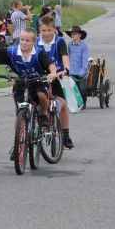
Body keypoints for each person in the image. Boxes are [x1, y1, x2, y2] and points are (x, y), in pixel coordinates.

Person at [0, 28, 60, 160]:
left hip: (38, 81)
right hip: (21, 83)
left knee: (42, 96)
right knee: (20, 111)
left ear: (33, 42)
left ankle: (42, 114)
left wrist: (52, 73)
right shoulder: (13, 51)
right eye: (22, 39)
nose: (24, 43)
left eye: (27, 40)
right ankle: (18, 143)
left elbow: (51, 65)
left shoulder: (39, 53)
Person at [35, 14, 75, 148]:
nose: (46, 33)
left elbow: (65, 57)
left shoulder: (59, 41)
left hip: (57, 76)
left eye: (49, 30)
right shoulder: (35, 42)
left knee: (62, 104)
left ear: (54, 30)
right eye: (43, 30)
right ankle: (23, 136)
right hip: (39, 77)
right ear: (39, 30)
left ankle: (66, 135)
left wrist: (66, 69)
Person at [65, 25, 90, 103]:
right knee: (73, 88)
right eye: (72, 34)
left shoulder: (84, 46)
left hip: (80, 71)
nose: (73, 35)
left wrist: (83, 70)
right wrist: (67, 68)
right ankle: (76, 103)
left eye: (75, 34)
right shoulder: (69, 45)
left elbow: (85, 59)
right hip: (72, 71)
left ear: (80, 35)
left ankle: (84, 102)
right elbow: (67, 57)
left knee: (82, 89)